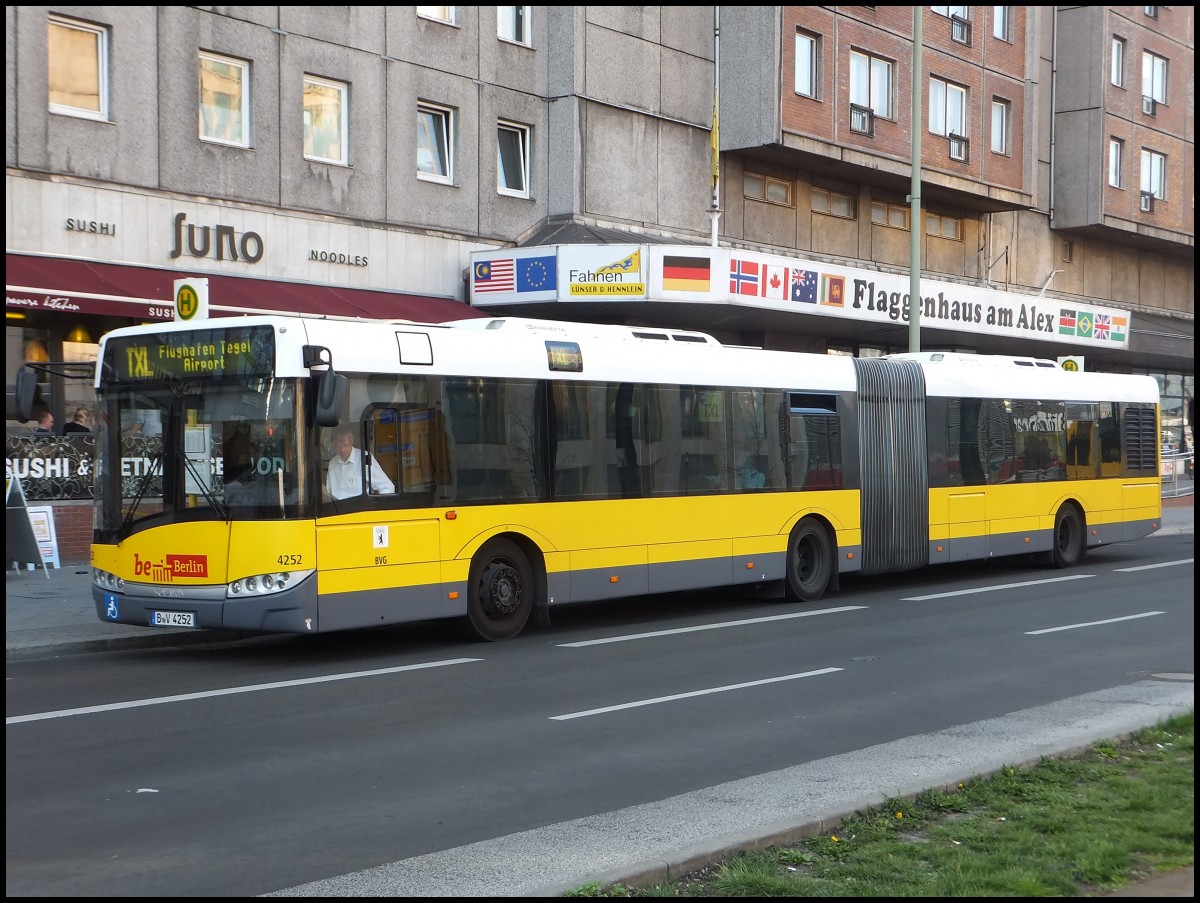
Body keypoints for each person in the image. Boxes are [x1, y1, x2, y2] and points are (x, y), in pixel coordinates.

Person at [327, 424, 395, 499]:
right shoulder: (332, 464)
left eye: (345, 445)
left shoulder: (364, 458)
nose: (342, 450)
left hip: (360, 508)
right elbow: (328, 493)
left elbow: (387, 487)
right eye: (338, 447)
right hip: (336, 508)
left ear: (351, 441)